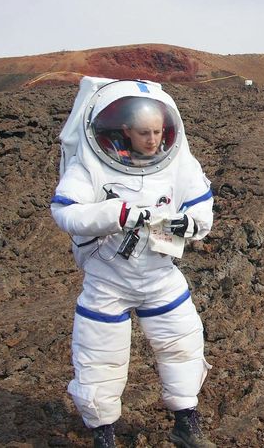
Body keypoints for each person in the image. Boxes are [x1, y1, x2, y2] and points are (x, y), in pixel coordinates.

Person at [51, 78, 215, 448]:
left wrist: (191, 224)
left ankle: (186, 424)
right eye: (144, 133)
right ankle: (103, 434)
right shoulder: (91, 166)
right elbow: (66, 212)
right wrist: (116, 213)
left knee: (183, 345)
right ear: (124, 130)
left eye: (158, 131)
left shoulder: (177, 162)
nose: (154, 140)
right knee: (100, 358)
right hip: (108, 279)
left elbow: (201, 204)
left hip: (160, 274)